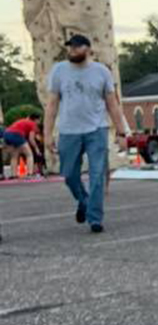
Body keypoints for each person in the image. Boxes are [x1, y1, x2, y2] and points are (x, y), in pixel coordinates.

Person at [43, 34, 129, 233]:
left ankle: (95, 218)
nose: (72, 51)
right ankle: (84, 201)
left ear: (88, 49)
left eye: (76, 47)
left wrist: (121, 133)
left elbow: (112, 104)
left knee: (97, 174)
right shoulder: (59, 71)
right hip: (68, 131)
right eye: (70, 47)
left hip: (96, 129)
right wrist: (47, 134)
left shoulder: (101, 72)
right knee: (69, 175)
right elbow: (52, 104)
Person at [2, 112, 42, 177]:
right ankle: (30, 173)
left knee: (14, 156)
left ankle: (14, 174)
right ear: (36, 120)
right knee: (29, 154)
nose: (39, 122)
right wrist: (36, 149)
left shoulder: (24, 121)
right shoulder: (33, 124)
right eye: (39, 120)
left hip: (7, 134)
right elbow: (31, 139)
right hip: (17, 134)